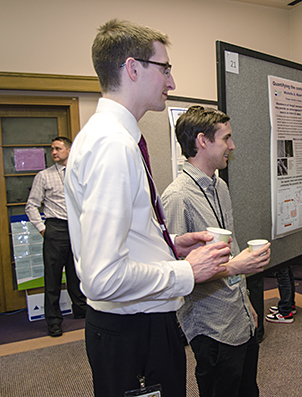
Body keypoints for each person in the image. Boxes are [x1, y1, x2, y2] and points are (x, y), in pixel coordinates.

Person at [64, 19, 231, 396]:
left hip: (139, 323)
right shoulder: (112, 146)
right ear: (133, 67)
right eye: (165, 68)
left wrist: (171, 243)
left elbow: (124, 235)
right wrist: (184, 272)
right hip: (133, 330)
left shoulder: (113, 138)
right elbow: (102, 278)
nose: (171, 82)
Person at [161, 106, 271, 397]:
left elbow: (229, 250)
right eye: (226, 138)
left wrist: (246, 303)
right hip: (211, 326)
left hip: (238, 316)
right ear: (202, 141)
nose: (232, 146)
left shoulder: (219, 186)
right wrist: (237, 267)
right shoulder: (176, 198)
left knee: (247, 390)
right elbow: (178, 272)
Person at [25, 136, 87, 337]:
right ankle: (53, 321)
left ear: (69, 150)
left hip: (77, 228)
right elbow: (31, 205)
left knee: (75, 273)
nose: (54, 152)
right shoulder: (44, 176)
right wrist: (42, 229)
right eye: (52, 149)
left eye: (58, 148)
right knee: (52, 278)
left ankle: (81, 310)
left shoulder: (79, 173)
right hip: (55, 228)